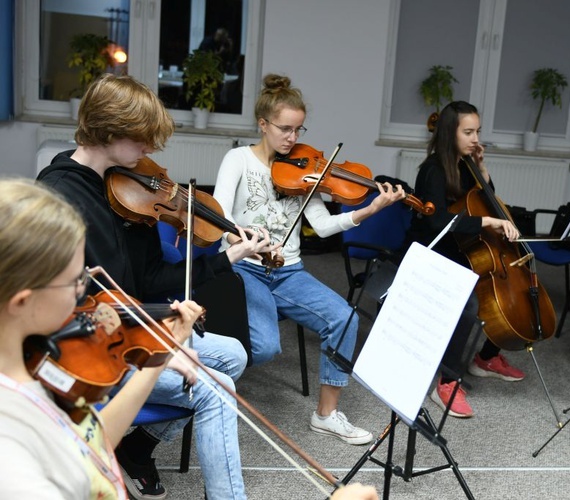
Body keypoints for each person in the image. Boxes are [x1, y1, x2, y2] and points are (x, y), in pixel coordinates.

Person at [37, 74, 277, 500]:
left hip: (132, 323)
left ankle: (136, 447)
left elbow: (150, 281)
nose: (151, 151)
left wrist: (226, 258)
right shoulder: (59, 198)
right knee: (218, 391)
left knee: (235, 354)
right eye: (143, 140)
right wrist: (162, 337)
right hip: (94, 347)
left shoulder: (126, 187)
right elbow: (75, 310)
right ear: (110, 131)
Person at [212, 73, 406, 445]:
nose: (293, 139)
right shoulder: (238, 160)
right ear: (263, 124)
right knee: (266, 346)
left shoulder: (303, 167)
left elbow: (323, 225)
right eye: (285, 129)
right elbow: (219, 216)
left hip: (289, 272)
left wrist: (371, 208)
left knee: (345, 318)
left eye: (299, 129)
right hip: (244, 269)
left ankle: (327, 414)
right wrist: (250, 241)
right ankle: (211, 376)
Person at [0, 178, 203, 498]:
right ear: (23, 301)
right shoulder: (10, 447)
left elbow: (86, 444)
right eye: (74, 281)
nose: (85, 289)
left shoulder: (32, 362)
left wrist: (157, 359)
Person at [404, 101, 527, 418]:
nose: (475, 138)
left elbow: (487, 202)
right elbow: (437, 222)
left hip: (463, 248)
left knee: (512, 292)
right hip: (434, 252)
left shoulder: (466, 165)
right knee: (470, 304)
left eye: (478, 131)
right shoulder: (432, 170)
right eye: (468, 132)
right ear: (450, 132)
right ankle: (446, 382)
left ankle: (486, 357)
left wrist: (483, 171)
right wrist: (488, 224)